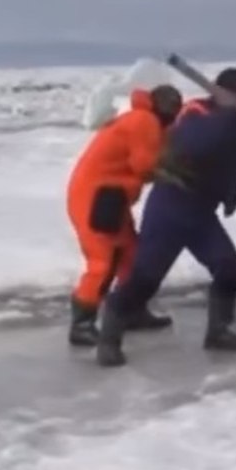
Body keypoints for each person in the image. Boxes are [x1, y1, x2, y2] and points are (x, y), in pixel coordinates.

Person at [95, 67, 236, 368]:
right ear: (224, 95)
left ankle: (218, 332)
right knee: (144, 280)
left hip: (201, 216)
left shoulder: (234, 124)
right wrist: (233, 116)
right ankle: (109, 340)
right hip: (170, 211)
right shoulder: (195, 115)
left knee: (231, 271)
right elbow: (198, 144)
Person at [64, 84, 184, 347]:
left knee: (131, 255)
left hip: (111, 198)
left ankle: (131, 311)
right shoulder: (144, 120)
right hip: (96, 200)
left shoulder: (143, 119)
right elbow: (144, 165)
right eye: (171, 105)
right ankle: (82, 325)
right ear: (158, 104)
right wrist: (174, 177)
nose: (174, 110)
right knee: (103, 262)